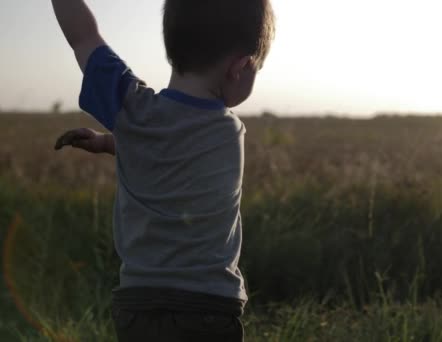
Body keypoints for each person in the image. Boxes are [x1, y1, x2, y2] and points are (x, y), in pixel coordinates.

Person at [51, 0, 275, 340]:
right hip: (209, 309)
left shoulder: (133, 111)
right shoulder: (228, 131)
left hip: (139, 306)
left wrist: (110, 141)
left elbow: (83, 37)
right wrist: (113, 142)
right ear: (240, 67)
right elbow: (180, 147)